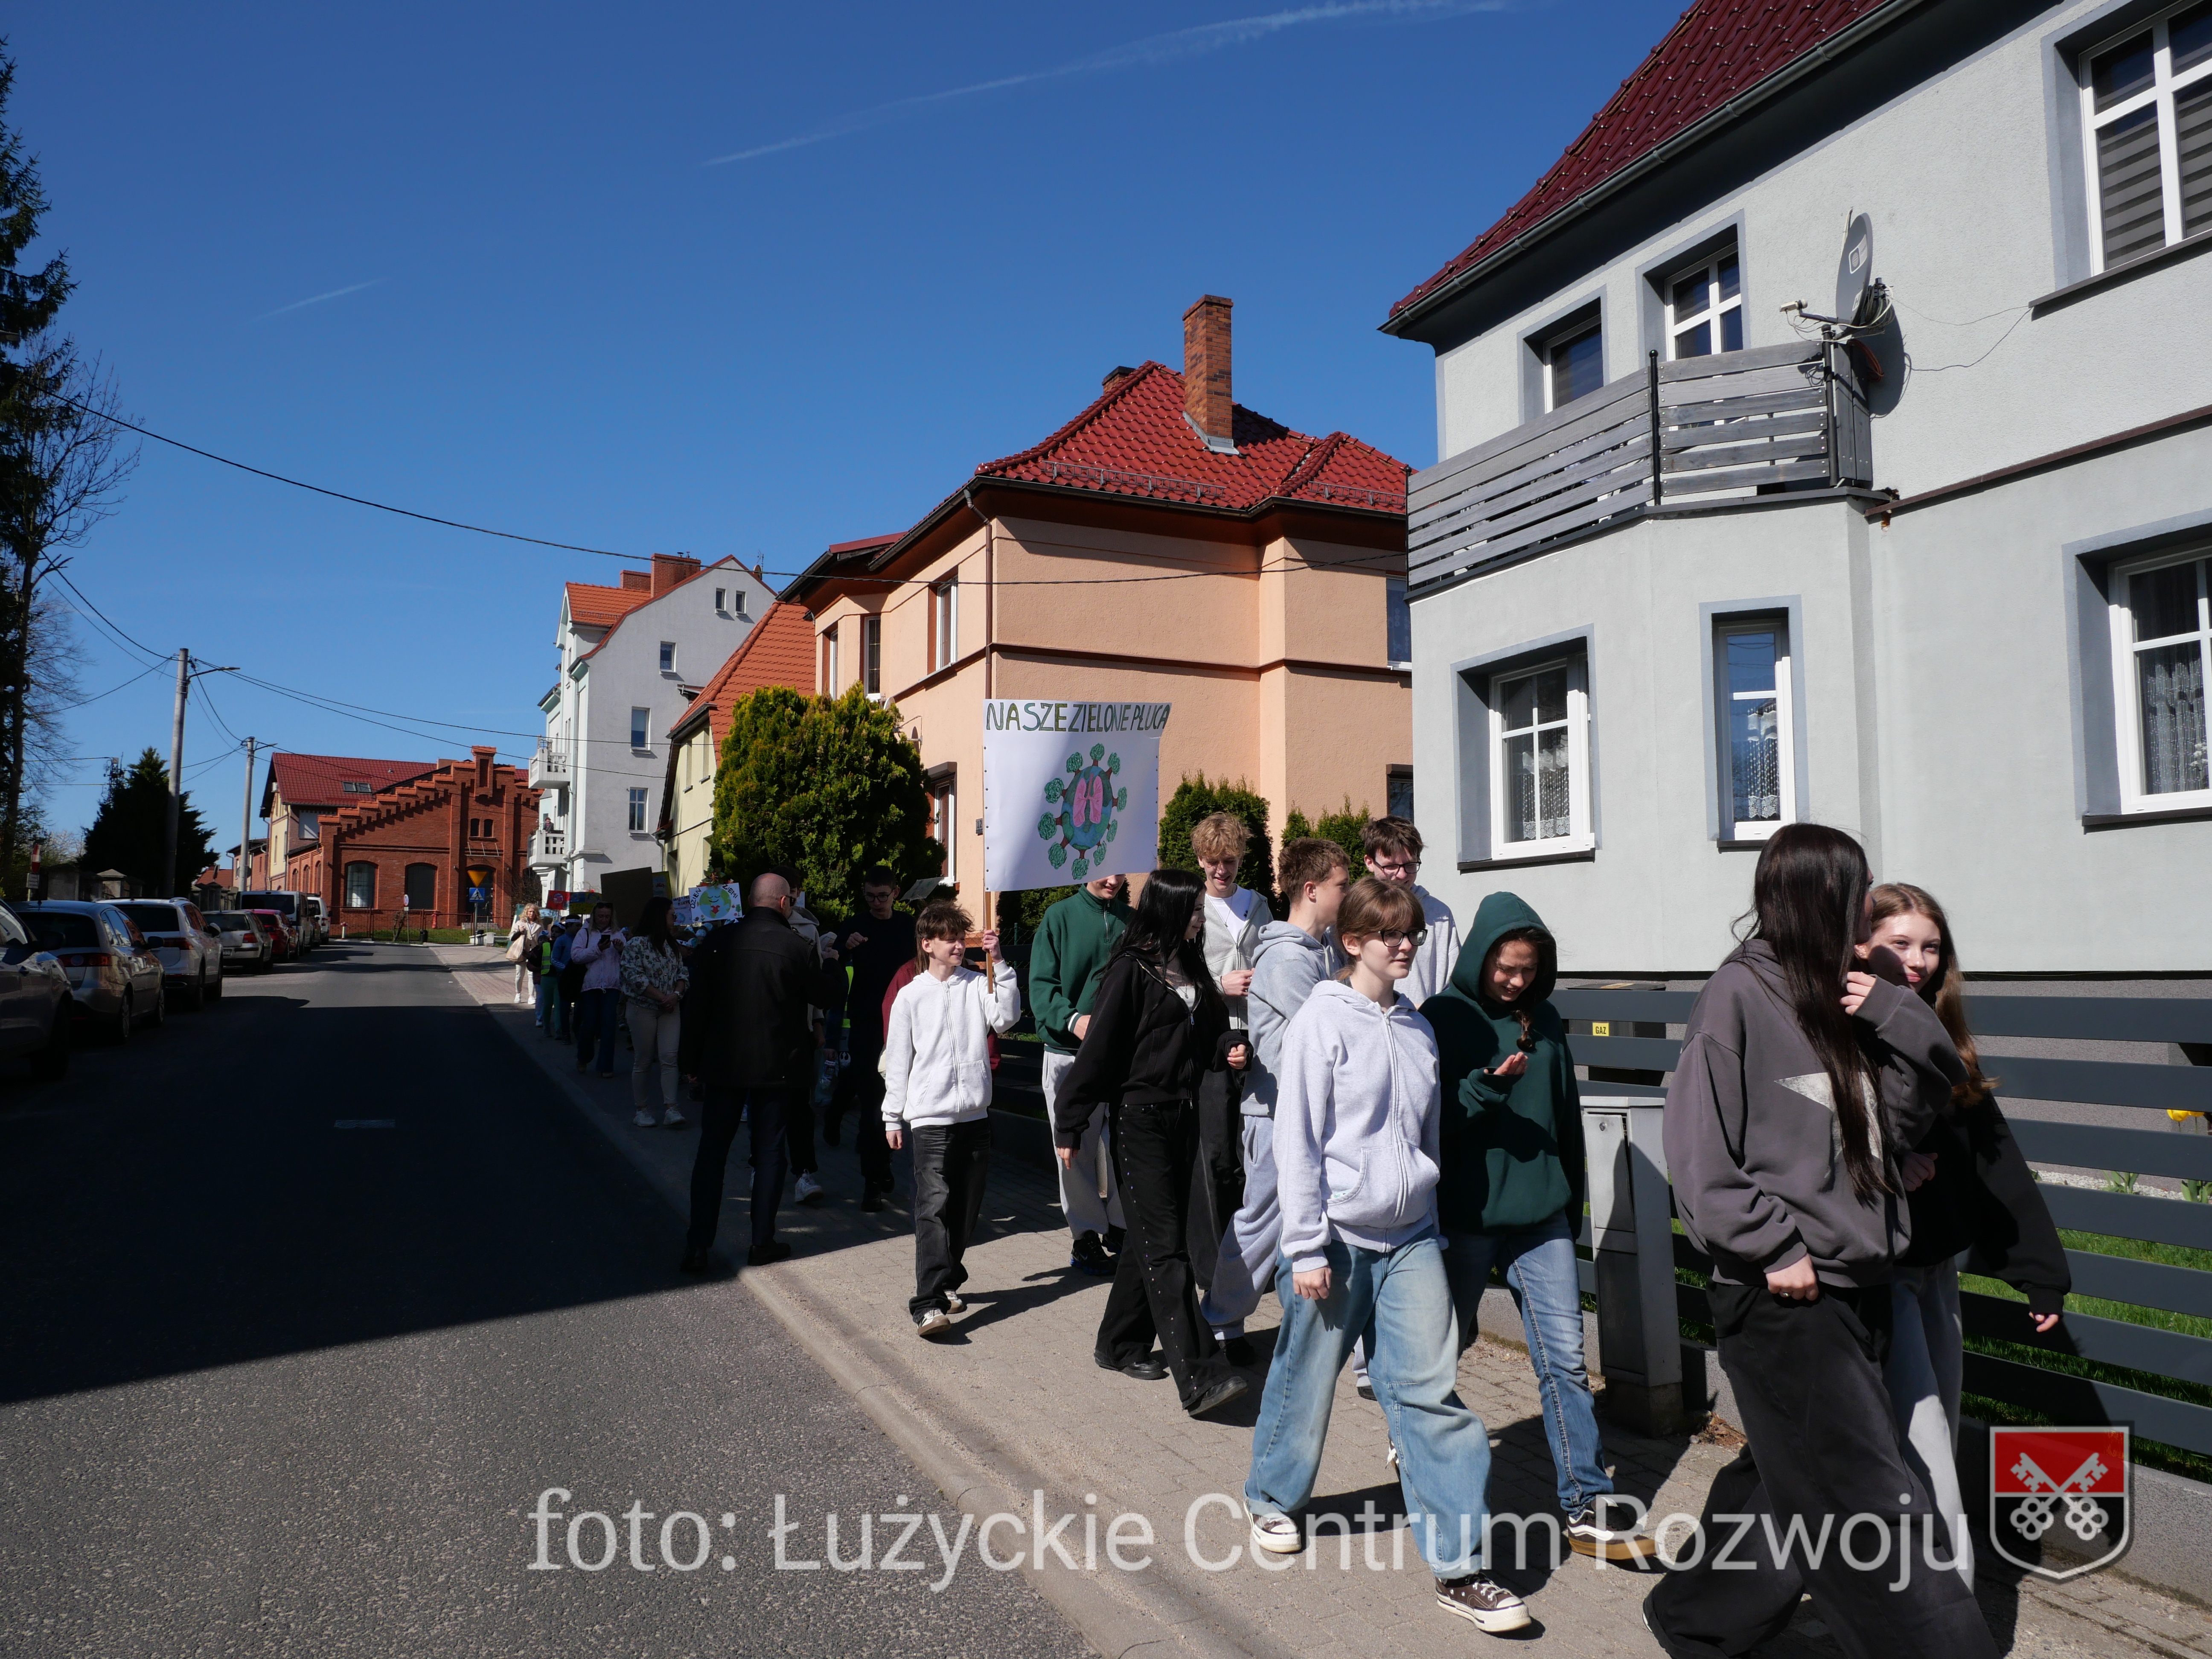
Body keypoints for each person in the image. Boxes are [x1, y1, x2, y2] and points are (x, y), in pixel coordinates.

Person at [1647, 824, 1993, 1659]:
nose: (1866, 913)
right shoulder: (1737, 994)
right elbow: (1697, 1152)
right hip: (1786, 1292)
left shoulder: (1851, 995)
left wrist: (1896, 1010)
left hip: (1861, 1279)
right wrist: (1773, 1247)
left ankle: (1695, 1616)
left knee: (1784, 1483)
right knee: (1865, 1497)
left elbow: (1912, 1110)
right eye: (1857, 894)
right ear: (1818, 895)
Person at [1244, 876, 1528, 1635]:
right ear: (1353, 941)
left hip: (1410, 1238)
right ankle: (1271, 1499)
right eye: (1389, 934)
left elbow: (1425, 1136)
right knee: (1307, 1377)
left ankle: (1461, 1567)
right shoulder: (1320, 1021)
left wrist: (1429, 1225)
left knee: (1431, 1393)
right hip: (1336, 1237)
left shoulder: (1416, 1028)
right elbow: (1297, 1140)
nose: (1405, 945)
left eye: (1411, 934)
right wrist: (1304, 1245)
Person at [1423, 893, 1644, 1562]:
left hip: (1541, 1218)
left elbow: (1566, 1114)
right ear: (1480, 956)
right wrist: (1485, 1090)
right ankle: (1421, 1448)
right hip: (1468, 1218)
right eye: (1506, 968)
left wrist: (1570, 1202)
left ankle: (1585, 1501)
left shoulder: (1544, 1018)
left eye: (1528, 969)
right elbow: (1427, 1124)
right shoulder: (1443, 1017)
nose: (1516, 980)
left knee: (1565, 1362)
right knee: (1440, 1353)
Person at [1869, 882, 2067, 1589]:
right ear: (1861, 946)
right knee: (1918, 1443)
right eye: (1899, 943)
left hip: (1935, 1275)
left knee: (1934, 1434)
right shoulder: (1841, 1031)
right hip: (1874, 1274)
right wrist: (1887, 1162)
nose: (1917, 960)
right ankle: (1945, 1605)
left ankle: (1903, 1591)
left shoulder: (1942, 1039)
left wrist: (2038, 1273)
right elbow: (1806, 1140)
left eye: (1930, 947)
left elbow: (1995, 1165)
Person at [1055, 867, 1249, 1419]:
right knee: (1166, 1250)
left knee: (1153, 1238)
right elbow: (1099, 1052)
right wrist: (1070, 1123)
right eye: (1194, 909)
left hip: (1183, 1117)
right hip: (1139, 1121)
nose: (1201, 918)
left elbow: (1211, 1031)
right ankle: (1202, 1376)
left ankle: (1118, 1342)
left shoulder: (1190, 964)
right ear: (1170, 910)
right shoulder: (1130, 970)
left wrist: (1230, 1046)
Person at [1200, 835, 1350, 1364]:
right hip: (1276, 1114)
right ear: (1311, 890)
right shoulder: (1288, 958)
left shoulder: (1322, 951)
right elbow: (1331, 1032)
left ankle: (1321, 1332)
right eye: (1341, 885)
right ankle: (1218, 1322)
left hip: (1303, 1113)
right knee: (1260, 1225)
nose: (1348, 894)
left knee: (1302, 1225)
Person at [678, 873, 845, 1271]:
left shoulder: (716, 942)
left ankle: (698, 1245)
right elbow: (825, 994)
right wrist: (834, 965)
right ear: (785, 903)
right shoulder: (796, 946)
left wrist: (690, 1062)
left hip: (724, 1065)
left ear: (751, 901)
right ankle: (761, 1242)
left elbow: (696, 1007)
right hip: (778, 1068)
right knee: (770, 1154)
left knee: (712, 1153)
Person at [882, 899, 1020, 1339]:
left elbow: (1007, 1018)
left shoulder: (978, 984)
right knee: (932, 1208)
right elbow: (898, 1060)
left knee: (965, 1210)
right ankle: (927, 1303)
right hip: (929, 1120)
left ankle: (947, 1279)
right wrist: (892, 1116)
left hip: (975, 1116)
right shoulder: (910, 995)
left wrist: (1001, 965)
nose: (960, 946)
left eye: (962, 938)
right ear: (928, 944)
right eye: (950, 939)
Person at [1030, 873, 1134, 1275]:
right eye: (1106, 870)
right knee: (1072, 1150)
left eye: (1121, 871)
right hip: (1068, 1054)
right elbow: (1041, 988)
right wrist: (1073, 1020)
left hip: (1120, 1055)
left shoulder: (1131, 920)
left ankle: (1121, 1227)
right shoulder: (1058, 917)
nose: (1114, 879)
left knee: (1127, 1143)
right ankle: (1086, 1235)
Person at [832, 867, 917, 1212]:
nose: (877, 903)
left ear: (896, 893)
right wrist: (845, 948)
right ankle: (873, 1180)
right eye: (870, 896)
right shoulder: (855, 925)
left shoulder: (909, 926)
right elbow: (833, 964)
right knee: (873, 1105)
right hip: (868, 1024)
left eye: (883, 896)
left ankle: (886, 1164)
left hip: (907, 1022)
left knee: (902, 1101)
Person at [776, 865, 836, 1207]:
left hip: (800, 1030)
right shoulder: (751, 928)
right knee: (766, 1106)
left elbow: (815, 982)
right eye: (789, 889)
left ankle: (804, 1173)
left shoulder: (807, 929)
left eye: (797, 889)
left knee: (801, 1107)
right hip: (764, 1032)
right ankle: (759, 1164)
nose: (794, 895)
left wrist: (818, 1022)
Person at [1362, 815, 1460, 1007]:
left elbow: (1454, 981)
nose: (1402, 875)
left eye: (1410, 865)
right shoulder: (1359, 911)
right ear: (1370, 862)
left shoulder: (1439, 914)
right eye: (1391, 866)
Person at [1192, 811, 1270, 1030]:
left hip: (1255, 1027)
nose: (1222, 870)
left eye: (1229, 861)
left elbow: (1271, 964)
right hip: (1207, 1028)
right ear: (1200, 860)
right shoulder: (1188, 908)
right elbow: (1176, 977)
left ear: (1241, 858)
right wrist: (1219, 986)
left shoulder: (1259, 905)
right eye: (1213, 862)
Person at [621, 895, 690, 1129]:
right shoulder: (636, 945)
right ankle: (642, 1110)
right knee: (643, 1060)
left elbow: (683, 974)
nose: (675, 917)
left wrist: (676, 995)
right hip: (643, 1009)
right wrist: (662, 998)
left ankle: (672, 1108)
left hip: (670, 1009)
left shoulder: (672, 946)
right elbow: (635, 978)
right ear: (660, 915)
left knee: (670, 1058)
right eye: (672, 913)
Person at [570, 903, 625, 1077]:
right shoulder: (585, 933)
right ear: (594, 916)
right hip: (590, 986)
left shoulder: (618, 933)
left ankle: (606, 1066)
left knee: (609, 1026)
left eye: (607, 916)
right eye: (600, 916)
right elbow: (576, 956)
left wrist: (621, 950)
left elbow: (629, 958)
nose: (603, 919)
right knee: (589, 1025)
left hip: (611, 986)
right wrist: (598, 949)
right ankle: (584, 1057)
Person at [547, 915, 582, 1039]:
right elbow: (554, 959)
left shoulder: (582, 939)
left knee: (580, 1005)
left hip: (580, 977)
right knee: (565, 1006)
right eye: (577, 926)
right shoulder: (561, 940)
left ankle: (576, 1029)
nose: (579, 928)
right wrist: (567, 970)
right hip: (565, 978)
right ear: (569, 926)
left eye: (580, 926)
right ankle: (565, 1033)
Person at [509, 902, 542, 1006]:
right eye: (530, 912)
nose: (532, 914)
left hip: (534, 953)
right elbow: (511, 937)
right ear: (526, 912)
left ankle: (531, 996)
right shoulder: (520, 923)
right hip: (521, 952)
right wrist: (520, 932)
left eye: (534, 912)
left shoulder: (539, 924)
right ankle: (518, 994)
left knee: (532, 975)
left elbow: (542, 937)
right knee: (519, 975)